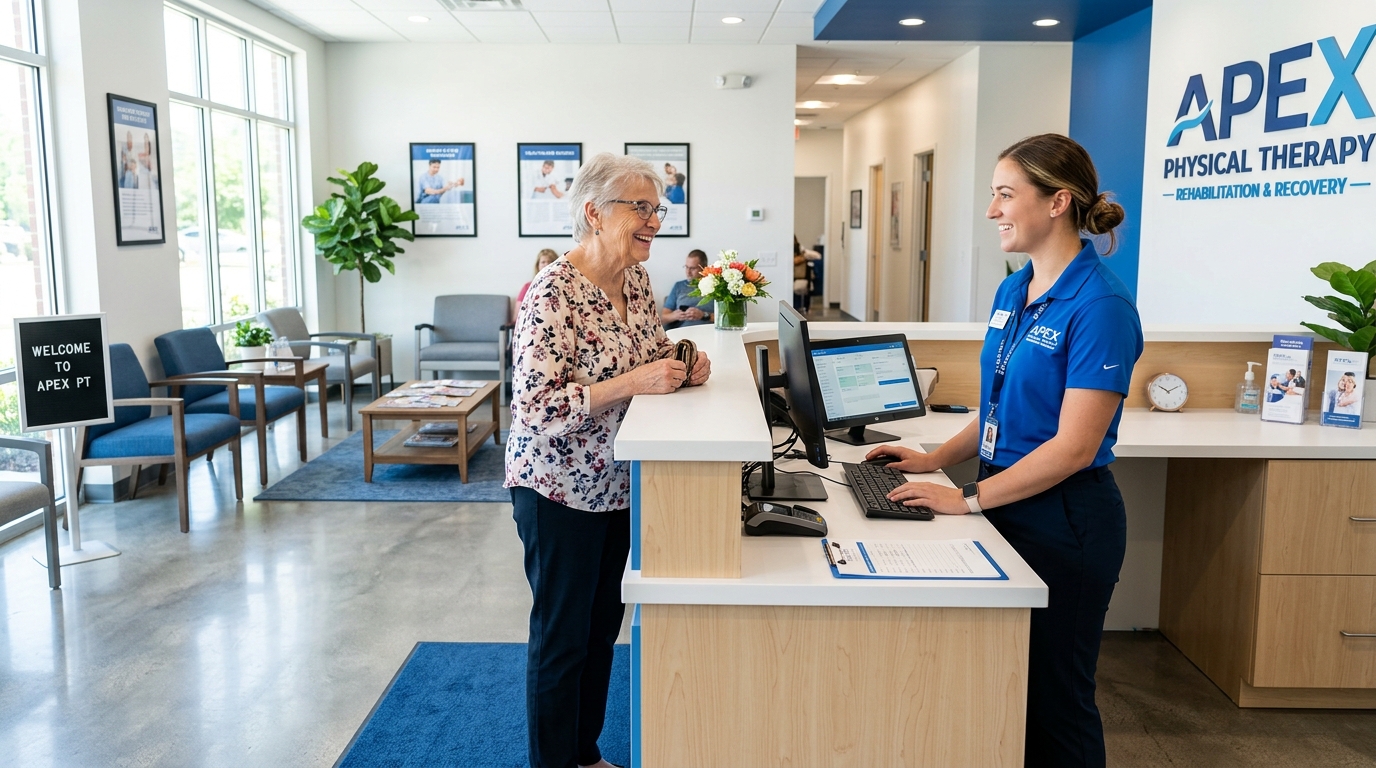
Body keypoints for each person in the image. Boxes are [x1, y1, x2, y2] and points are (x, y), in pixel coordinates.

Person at [865, 133, 1143, 768]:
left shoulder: (1099, 306)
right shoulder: (1013, 290)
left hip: (1065, 519)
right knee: (1005, 689)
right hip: (1006, 500)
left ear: (1057, 202)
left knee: (1057, 700)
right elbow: (996, 409)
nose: (992, 211)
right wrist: (935, 458)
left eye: (1005, 195)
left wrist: (965, 497)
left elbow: (1074, 448)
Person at [505, 152, 710, 768]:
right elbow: (534, 409)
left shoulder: (639, 281)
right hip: (558, 489)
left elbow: (647, 356)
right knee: (562, 639)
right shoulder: (553, 292)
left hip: (620, 485)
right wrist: (634, 382)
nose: (654, 220)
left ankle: (583, 754)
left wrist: (683, 363)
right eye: (640, 208)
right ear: (593, 212)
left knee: (600, 633)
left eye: (658, 208)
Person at [661, 249, 713, 329]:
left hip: (708, 331)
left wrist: (703, 315)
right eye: (686, 267)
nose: (688, 272)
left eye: (692, 268)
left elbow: (725, 319)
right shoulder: (679, 286)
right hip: (681, 333)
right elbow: (663, 318)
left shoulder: (715, 287)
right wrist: (675, 316)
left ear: (703, 268)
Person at [514, 248, 559, 324]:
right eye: (543, 262)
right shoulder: (527, 287)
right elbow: (517, 315)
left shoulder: (561, 287)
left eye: (550, 262)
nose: (546, 265)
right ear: (537, 265)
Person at [792, 235, 820, 311]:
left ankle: (803, 307)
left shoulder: (801, 250)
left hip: (800, 277)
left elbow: (817, 255)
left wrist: (802, 257)